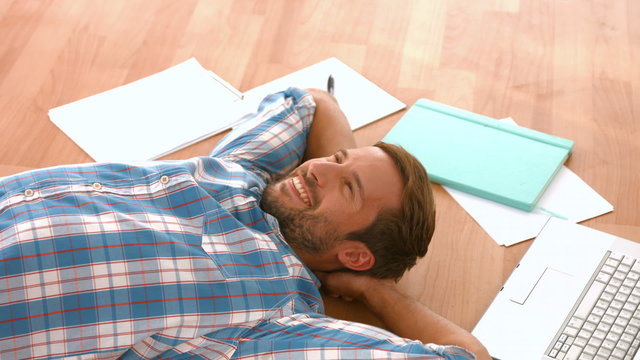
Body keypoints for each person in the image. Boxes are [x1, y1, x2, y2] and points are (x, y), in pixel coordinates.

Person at [0, 87, 490, 359]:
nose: (318, 169)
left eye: (349, 188)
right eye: (337, 159)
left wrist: (375, 291)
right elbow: (313, 102)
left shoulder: (274, 319)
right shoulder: (244, 174)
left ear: (356, 255)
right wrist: (337, 182)